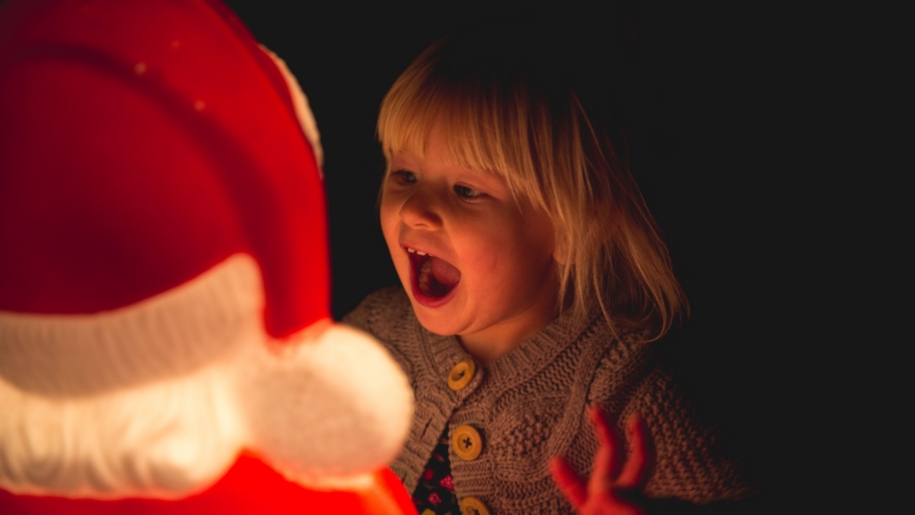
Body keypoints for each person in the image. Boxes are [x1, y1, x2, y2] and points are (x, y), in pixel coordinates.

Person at [344, 17, 756, 515]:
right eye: (405, 174)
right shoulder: (371, 333)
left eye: (467, 190)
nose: (413, 209)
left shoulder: (629, 396)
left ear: (573, 230)